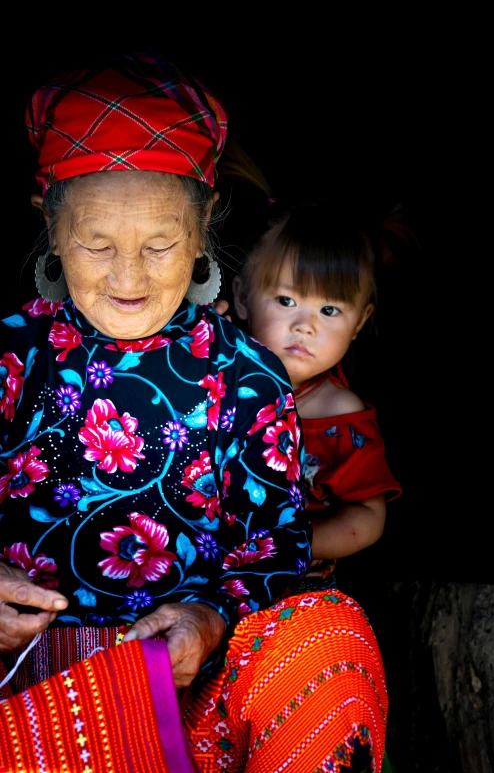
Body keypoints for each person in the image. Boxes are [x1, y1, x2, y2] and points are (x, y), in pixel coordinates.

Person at [0, 53, 388, 772]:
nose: (127, 277)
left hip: (182, 710)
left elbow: (273, 559)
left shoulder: (248, 377)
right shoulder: (8, 359)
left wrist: (210, 623)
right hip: (16, 702)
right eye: (96, 244)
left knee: (329, 632)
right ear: (50, 228)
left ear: (205, 225)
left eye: (158, 245)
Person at [233, 200, 402, 592]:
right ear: (242, 298)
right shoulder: (213, 387)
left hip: (296, 596)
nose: (305, 326)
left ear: (359, 320)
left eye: (328, 309)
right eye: (287, 301)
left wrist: (290, 546)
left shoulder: (340, 416)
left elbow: (367, 517)